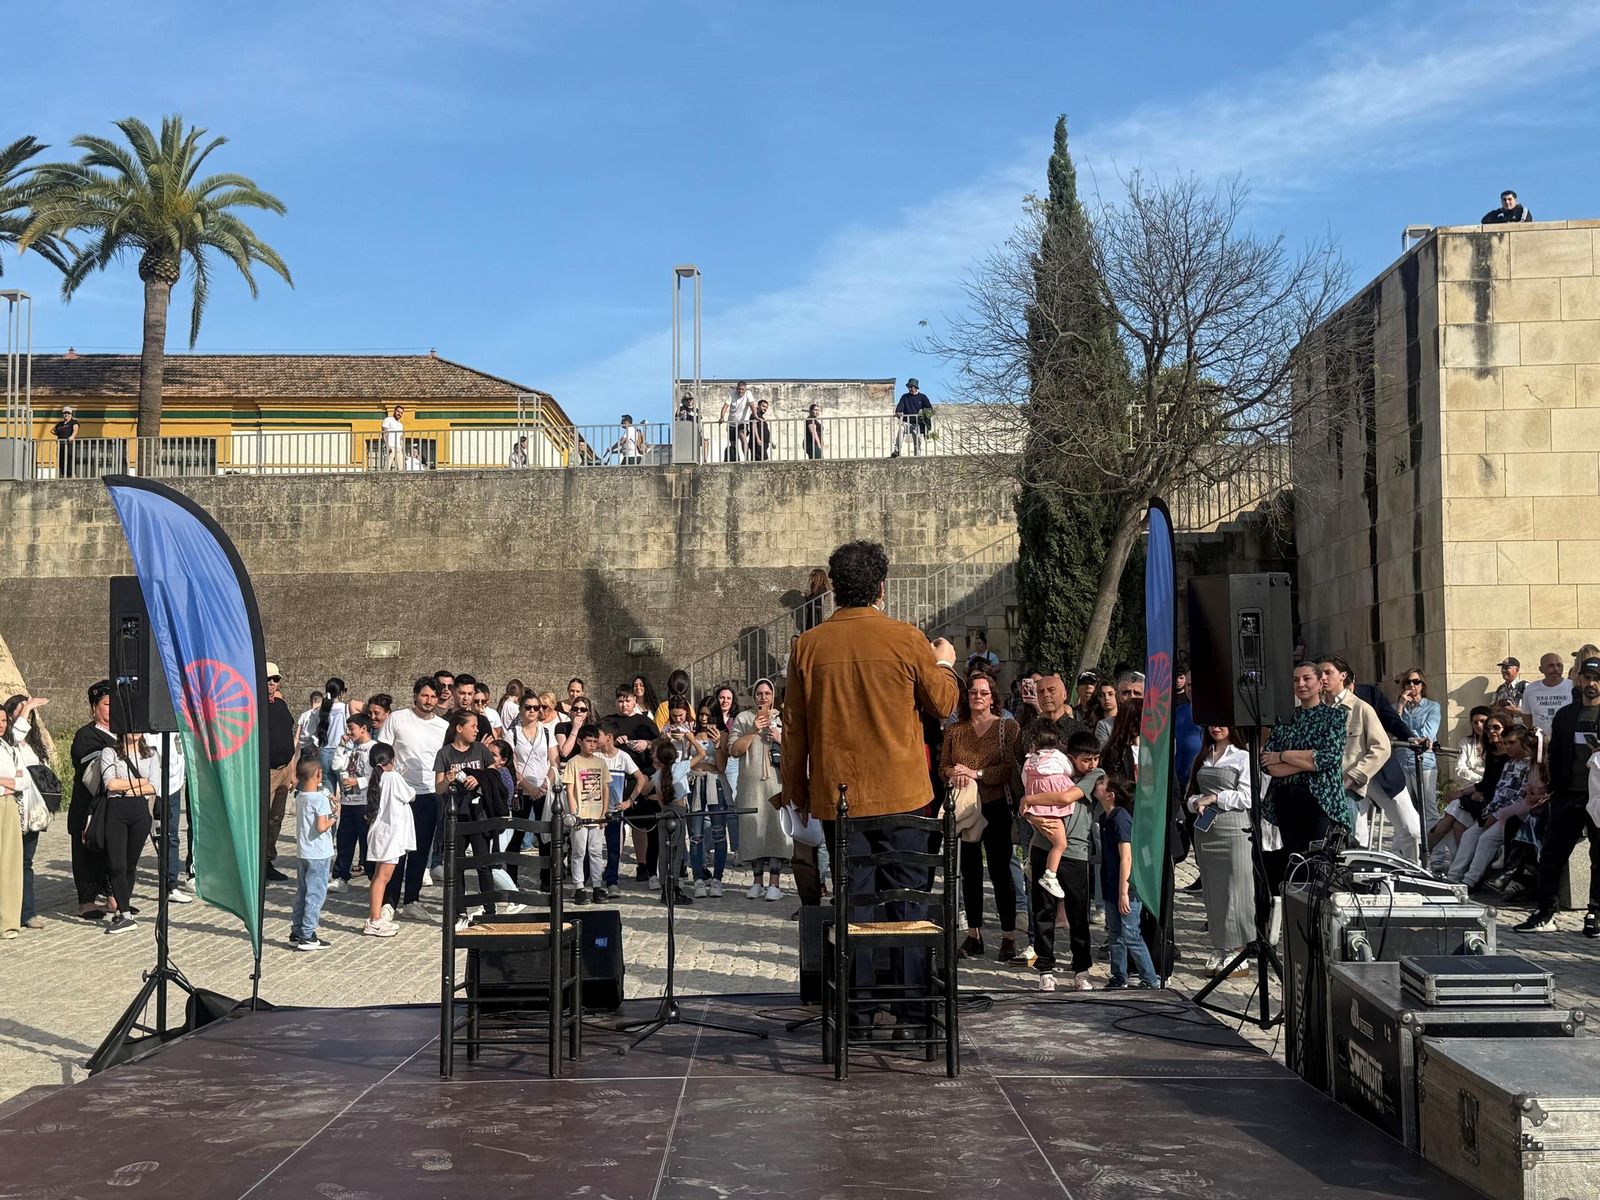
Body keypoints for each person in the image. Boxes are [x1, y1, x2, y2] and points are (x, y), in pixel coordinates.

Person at [780, 539, 960, 1035]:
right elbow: (943, 704)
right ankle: (914, 1014)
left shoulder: (808, 645)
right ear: (882, 588)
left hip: (841, 799)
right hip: (905, 795)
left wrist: (795, 792)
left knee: (853, 908)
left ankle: (855, 1016)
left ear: (834, 589)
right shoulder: (905, 638)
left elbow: (794, 728)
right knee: (909, 908)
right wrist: (944, 661)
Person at [940, 669, 1022, 960]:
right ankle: (973, 933)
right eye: (973, 692)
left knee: (1001, 872)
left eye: (983, 692)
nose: (977, 696)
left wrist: (976, 773)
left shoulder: (1007, 728)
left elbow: (1009, 770)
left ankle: (1008, 935)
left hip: (996, 804)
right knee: (970, 871)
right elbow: (944, 767)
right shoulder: (955, 730)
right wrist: (955, 773)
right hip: (966, 806)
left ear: (992, 698)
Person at [1518, 656, 1600, 935]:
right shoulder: (1566, 715)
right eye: (1587, 678)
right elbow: (1553, 754)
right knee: (1552, 854)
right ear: (1579, 679)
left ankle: (1596, 913)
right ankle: (1545, 912)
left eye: (1597, 679)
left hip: (1598, 797)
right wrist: (1548, 783)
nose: (1592, 684)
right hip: (1568, 794)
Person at [1261, 662, 1351, 856]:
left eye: (1306, 679)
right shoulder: (1285, 720)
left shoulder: (1334, 717)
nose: (1300, 684)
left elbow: (1329, 757)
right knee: (1295, 857)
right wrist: (1309, 761)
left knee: (1319, 858)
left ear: (1320, 683)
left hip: (1321, 798)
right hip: (1286, 798)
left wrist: (1284, 755)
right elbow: (1269, 764)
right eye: (1296, 680)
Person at [1186, 725, 1254, 976]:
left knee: (1236, 889)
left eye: (1221, 721)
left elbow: (1248, 797)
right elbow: (1191, 796)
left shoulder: (1243, 757)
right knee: (1213, 891)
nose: (1216, 727)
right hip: (1206, 831)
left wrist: (1215, 798)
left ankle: (1239, 950)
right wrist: (1197, 803)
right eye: (1211, 722)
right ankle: (1220, 945)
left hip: (1234, 829)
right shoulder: (1201, 757)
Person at [383, 677, 448, 923]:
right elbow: (382, 751)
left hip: (429, 794)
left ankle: (412, 900)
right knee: (397, 850)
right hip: (401, 796)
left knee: (421, 850)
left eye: (433, 696)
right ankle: (390, 901)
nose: (429, 700)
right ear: (415, 696)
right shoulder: (398, 718)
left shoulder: (443, 727)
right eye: (425, 695)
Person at [1447, 725, 1539, 891]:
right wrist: (1490, 812)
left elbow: (1523, 799)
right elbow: (1500, 791)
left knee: (1486, 839)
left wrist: (1497, 815)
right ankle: (1453, 877)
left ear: (1524, 743)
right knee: (1469, 835)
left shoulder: (1532, 765)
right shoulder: (1509, 763)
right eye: (1505, 743)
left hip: (1515, 816)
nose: (1507, 747)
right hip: (1496, 812)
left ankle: (1469, 882)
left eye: (1511, 742)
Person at [726, 678, 789, 900]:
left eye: (767, 693)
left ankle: (775, 883)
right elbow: (734, 750)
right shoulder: (743, 719)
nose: (763, 697)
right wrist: (753, 730)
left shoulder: (782, 718)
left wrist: (780, 738)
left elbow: (796, 748)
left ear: (773, 696)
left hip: (776, 782)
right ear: (754, 696)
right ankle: (756, 881)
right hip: (751, 785)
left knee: (775, 830)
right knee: (753, 830)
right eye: (760, 693)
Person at [1319, 655, 1392, 841]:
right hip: (1318, 788)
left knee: (1342, 847)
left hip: (1345, 791)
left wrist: (1354, 776)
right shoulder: (1316, 708)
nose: (1323, 678)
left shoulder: (1361, 708)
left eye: (1328, 672)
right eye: (1320, 673)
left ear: (1343, 676)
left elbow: (1382, 747)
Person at [96, 730, 160, 935]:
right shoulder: (110, 752)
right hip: (116, 812)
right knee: (117, 863)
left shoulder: (150, 753)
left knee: (131, 863)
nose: (135, 731)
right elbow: (111, 784)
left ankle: (124, 908)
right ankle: (125, 913)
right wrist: (141, 782)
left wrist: (130, 789)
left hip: (140, 812)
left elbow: (155, 786)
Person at [1099, 777, 1159, 989]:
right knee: (1115, 933)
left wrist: (1124, 891)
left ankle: (1150, 979)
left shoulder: (1121, 819)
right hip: (1110, 885)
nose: (1097, 786)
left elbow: (1127, 856)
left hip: (1126, 888)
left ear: (1110, 795)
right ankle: (1118, 975)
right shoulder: (1105, 817)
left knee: (1131, 934)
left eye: (1101, 784)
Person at [68, 680, 118, 920]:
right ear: (94, 707)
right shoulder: (85, 735)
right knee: (86, 852)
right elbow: (90, 770)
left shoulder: (124, 732)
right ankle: (86, 902)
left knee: (114, 851)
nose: (111, 709)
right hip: (88, 805)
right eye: (107, 704)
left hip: (114, 805)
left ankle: (113, 896)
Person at [2, 695, 53, 930]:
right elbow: (16, 734)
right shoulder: (8, 742)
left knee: (25, 862)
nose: (27, 715)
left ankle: (27, 911)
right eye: (21, 711)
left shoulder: (31, 744)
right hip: (12, 806)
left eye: (29, 712)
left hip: (32, 809)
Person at [289, 759, 336, 950]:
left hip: (304, 851)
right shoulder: (320, 799)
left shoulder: (300, 796)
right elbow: (321, 826)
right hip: (319, 852)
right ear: (318, 773)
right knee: (315, 894)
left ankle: (297, 930)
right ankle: (308, 934)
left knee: (302, 892)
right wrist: (334, 816)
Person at [362, 744, 408, 937]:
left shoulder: (375, 778)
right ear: (391, 761)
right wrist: (401, 775)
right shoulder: (393, 777)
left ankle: (376, 916)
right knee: (383, 877)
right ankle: (374, 920)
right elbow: (409, 795)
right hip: (390, 835)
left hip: (381, 833)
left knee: (378, 877)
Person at [560, 725, 609, 903]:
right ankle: (579, 886)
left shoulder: (601, 763)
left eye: (595, 741)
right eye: (589, 741)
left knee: (596, 851)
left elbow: (605, 788)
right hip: (581, 815)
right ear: (580, 741)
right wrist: (574, 814)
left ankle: (597, 885)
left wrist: (604, 812)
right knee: (579, 851)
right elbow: (569, 789)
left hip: (596, 815)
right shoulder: (574, 763)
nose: (592, 745)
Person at [331, 711, 377, 890]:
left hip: (364, 802)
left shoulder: (373, 748)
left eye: (352, 728)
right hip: (348, 801)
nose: (349, 732)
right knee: (345, 840)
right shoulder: (351, 748)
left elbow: (376, 776)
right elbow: (336, 766)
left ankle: (373, 877)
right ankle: (341, 876)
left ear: (364, 729)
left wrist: (357, 781)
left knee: (367, 842)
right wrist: (341, 747)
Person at [1395, 667, 1441, 833]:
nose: (1412, 685)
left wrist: (1405, 736)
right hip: (1402, 762)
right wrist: (1400, 706)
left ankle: (1436, 852)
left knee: (1429, 809)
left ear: (1423, 685)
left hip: (1424, 762)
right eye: (1408, 682)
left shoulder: (1432, 707)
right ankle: (1412, 850)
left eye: (1416, 682)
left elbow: (1427, 734)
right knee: (1406, 810)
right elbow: (1392, 730)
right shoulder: (1397, 706)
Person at [1521, 652, 1572, 738]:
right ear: (1541, 669)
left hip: (1567, 741)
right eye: (1551, 666)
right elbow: (1527, 717)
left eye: (1559, 665)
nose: (1556, 669)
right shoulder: (1531, 689)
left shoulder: (1573, 687)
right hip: (1541, 743)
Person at [890, 378, 931, 458]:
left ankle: (917, 454)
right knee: (901, 429)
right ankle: (897, 450)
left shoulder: (922, 397)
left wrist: (923, 412)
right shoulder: (905, 397)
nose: (909, 389)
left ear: (915, 388)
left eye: (911, 387)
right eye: (908, 387)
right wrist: (898, 412)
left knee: (917, 437)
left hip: (917, 423)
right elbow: (899, 408)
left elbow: (930, 409)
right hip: (907, 422)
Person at [722, 381, 753, 462]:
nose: (741, 391)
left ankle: (746, 458)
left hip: (743, 422)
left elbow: (752, 405)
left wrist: (755, 415)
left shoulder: (748, 393)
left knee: (742, 435)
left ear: (745, 389)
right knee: (733, 444)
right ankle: (736, 460)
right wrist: (722, 417)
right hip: (732, 423)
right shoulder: (732, 394)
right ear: (736, 388)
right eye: (739, 389)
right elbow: (725, 406)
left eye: (742, 389)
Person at [52, 406, 79, 478]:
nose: (66, 415)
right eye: (65, 413)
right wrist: (57, 433)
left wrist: (72, 436)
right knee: (61, 460)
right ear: (63, 414)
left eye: (68, 413)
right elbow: (52, 430)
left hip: (69, 444)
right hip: (61, 444)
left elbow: (75, 429)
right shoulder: (60, 424)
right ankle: (63, 474)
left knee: (69, 459)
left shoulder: (73, 422)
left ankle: (70, 475)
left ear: (71, 414)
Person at [381, 404, 405, 469]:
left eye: (401, 413)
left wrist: (402, 449)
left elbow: (401, 438)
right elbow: (384, 433)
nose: (399, 414)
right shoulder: (388, 419)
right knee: (387, 466)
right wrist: (387, 446)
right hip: (390, 446)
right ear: (394, 411)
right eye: (398, 411)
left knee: (401, 467)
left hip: (398, 447)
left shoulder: (401, 425)